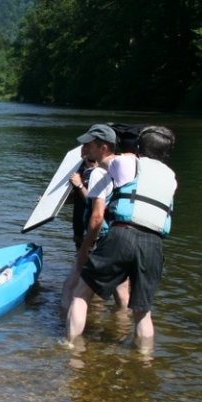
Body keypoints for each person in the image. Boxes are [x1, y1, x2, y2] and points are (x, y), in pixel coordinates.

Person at [66, 126, 177, 351]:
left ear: (138, 147)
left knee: (81, 294)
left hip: (122, 235)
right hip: (154, 244)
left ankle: (71, 347)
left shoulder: (127, 163)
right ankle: (144, 358)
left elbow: (104, 162)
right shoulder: (171, 177)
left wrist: (90, 155)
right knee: (142, 312)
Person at [61, 124, 129, 310]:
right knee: (121, 292)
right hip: (120, 236)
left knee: (72, 288)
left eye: (89, 145)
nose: (84, 150)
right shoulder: (126, 169)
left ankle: (64, 331)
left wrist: (85, 247)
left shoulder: (98, 172)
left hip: (101, 238)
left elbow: (97, 214)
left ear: (103, 148)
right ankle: (122, 328)